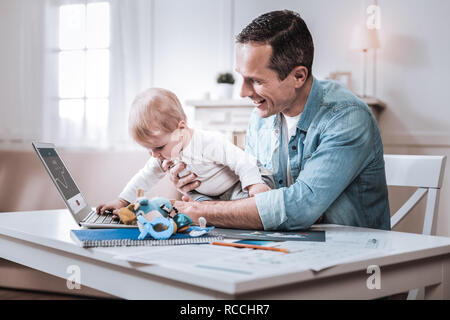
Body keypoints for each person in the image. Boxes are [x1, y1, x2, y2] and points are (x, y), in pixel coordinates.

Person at [169, 10, 391, 231]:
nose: (243, 92)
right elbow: (252, 200)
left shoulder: (347, 117)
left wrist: (200, 212)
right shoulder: (262, 117)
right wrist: (202, 187)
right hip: (288, 249)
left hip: (353, 255)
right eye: (241, 77)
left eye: (255, 80)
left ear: (298, 76)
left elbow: (300, 208)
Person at [96, 88, 274, 216]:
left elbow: (242, 161)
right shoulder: (162, 155)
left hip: (240, 183)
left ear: (181, 129)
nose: (154, 155)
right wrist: (122, 201)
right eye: (148, 150)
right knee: (197, 208)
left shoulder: (207, 142)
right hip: (211, 196)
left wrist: (254, 185)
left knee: (249, 205)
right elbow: (144, 178)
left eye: (158, 147)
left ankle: (261, 198)